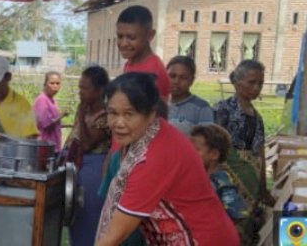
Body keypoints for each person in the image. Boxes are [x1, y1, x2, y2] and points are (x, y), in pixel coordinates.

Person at [96, 72, 239, 246]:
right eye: (113, 113)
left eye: (129, 114)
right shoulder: (152, 135)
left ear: (151, 114)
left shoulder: (152, 158)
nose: (118, 123)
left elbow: (114, 236)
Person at [213, 59, 275, 244]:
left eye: (260, 83)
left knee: (246, 225)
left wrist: (263, 188)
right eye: (251, 82)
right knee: (226, 224)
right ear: (237, 82)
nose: (256, 88)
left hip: (251, 186)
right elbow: (213, 145)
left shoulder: (257, 117)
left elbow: (260, 154)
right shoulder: (223, 110)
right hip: (226, 182)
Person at [63, 65, 111, 246]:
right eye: (79, 87)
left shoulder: (105, 116)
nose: (80, 92)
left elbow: (88, 144)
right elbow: (72, 138)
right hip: (76, 171)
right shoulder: (84, 110)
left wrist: (81, 117)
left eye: (85, 88)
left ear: (99, 90)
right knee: (74, 219)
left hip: (93, 174)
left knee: (89, 221)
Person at [190, 124, 250, 245]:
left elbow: (238, 212)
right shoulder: (200, 177)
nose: (189, 153)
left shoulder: (221, 180)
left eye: (195, 150)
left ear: (214, 154)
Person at [116, 5, 170, 102]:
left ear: (150, 35)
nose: (123, 43)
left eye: (131, 37)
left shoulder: (153, 71)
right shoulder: (130, 63)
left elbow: (159, 112)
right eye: (120, 36)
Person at [166, 55, 213, 135]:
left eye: (183, 77)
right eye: (172, 76)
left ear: (192, 80)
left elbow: (205, 142)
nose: (176, 81)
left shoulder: (201, 108)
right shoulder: (155, 104)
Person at [33, 71, 67, 153]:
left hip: (53, 146)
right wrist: (61, 115)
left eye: (58, 83)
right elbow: (46, 123)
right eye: (52, 83)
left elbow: (53, 122)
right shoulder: (42, 100)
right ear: (45, 84)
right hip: (44, 148)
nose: (55, 86)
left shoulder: (52, 100)